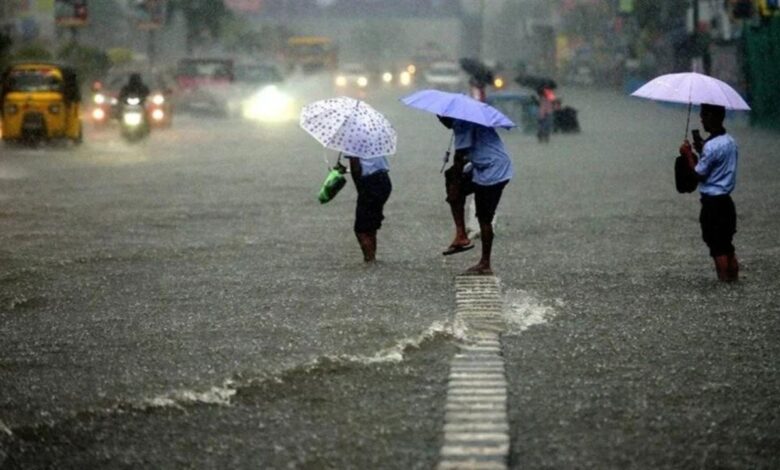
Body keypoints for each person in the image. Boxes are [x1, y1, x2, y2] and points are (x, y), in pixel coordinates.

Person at [439, 115, 513, 275]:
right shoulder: (464, 122)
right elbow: (460, 160)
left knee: (484, 217)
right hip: (481, 165)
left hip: (494, 170)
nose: (441, 122)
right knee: (451, 177)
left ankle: (485, 263)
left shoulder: (462, 123)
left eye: (441, 118)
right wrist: (454, 184)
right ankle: (461, 234)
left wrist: (455, 187)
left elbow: (460, 157)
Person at [679, 103, 739, 282]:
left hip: (712, 204)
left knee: (716, 246)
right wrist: (701, 149)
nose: (701, 119)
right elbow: (716, 161)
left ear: (712, 116)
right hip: (727, 202)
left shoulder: (712, 147)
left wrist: (688, 154)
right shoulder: (730, 141)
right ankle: (733, 283)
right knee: (727, 245)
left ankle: (723, 284)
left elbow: (698, 174)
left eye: (704, 115)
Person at [345, 154, 392, 263]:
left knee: (361, 230)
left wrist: (360, 189)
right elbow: (370, 163)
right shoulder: (375, 137)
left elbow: (356, 167)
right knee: (370, 226)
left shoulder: (353, 140)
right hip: (384, 180)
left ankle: (370, 261)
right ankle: (372, 258)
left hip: (369, 183)